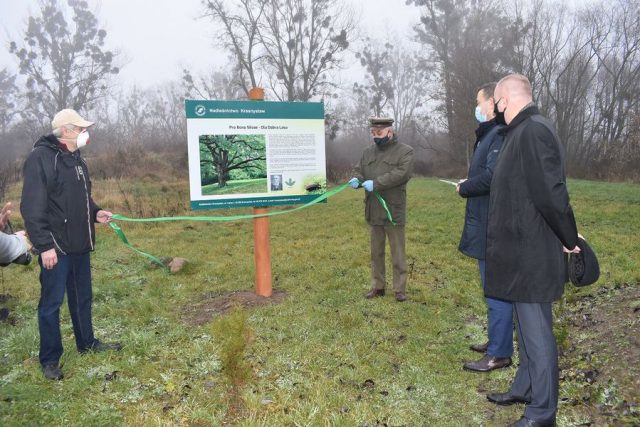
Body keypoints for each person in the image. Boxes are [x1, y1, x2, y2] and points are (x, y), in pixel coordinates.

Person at [484, 74, 580, 427]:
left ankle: (542, 412)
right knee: (525, 330)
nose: (493, 109)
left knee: (538, 334)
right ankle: (525, 387)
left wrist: (570, 238)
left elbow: (551, 193)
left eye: (495, 102)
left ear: (505, 100)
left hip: (533, 255)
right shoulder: (518, 132)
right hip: (518, 253)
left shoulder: (534, 130)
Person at [21, 109, 122, 381]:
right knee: (51, 304)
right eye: (80, 128)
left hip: (79, 244)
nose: (84, 133)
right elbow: (32, 207)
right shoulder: (40, 158)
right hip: (56, 247)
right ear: (65, 131)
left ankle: (87, 343)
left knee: (82, 298)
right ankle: (50, 359)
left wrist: (96, 213)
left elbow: (81, 199)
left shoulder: (77, 159)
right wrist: (45, 246)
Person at [456, 83, 513, 373]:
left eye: (479, 102)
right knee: (490, 288)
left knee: (496, 290)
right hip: (485, 222)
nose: (476, 108)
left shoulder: (499, 135)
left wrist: (465, 187)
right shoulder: (488, 135)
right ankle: (496, 342)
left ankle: (499, 353)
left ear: (492, 103)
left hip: (493, 227)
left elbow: (492, 177)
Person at [349, 117, 414, 302]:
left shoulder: (405, 151)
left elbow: (402, 174)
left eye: (379, 132)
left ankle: (400, 289)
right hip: (373, 209)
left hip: (393, 209)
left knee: (398, 252)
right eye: (373, 132)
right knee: (375, 252)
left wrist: (376, 183)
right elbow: (358, 169)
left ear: (389, 131)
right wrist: (356, 178)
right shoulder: (367, 152)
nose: (375, 136)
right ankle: (378, 286)